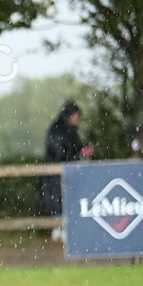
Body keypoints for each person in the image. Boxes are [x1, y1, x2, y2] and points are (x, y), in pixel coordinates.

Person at [40, 101, 91, 239]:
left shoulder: (69, 130)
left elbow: (73, 149)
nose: (77, 119)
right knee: (57, 197)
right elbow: (60, 152)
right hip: (56, 170)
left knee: (65, 196)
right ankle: (59, 226)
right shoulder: (58, 130)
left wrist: (82, 152)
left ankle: (63, 227)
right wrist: (77, 155)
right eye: (76, 116)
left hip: (66, 169)